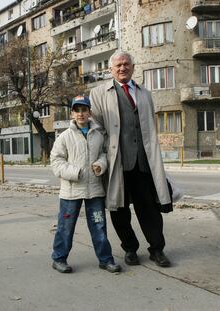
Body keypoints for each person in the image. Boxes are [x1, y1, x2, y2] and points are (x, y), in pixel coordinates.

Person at [90, 51, 172, 267]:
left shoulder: (144, 93)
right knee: (119, 209)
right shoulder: (99, 93)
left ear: (133, 67)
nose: (122, 68)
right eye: (118, 65)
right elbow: (97, 128)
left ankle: (157, 249)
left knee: (150, 209)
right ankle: (130, 249)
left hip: (144, 161)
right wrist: (100, 157)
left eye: (126, 64)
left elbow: (149, 126)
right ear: (110, 70)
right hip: (117, 161)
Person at [50, 95, 121, 274]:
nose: (81, 114)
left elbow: (105, 153)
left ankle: (106, 260)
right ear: (72, 113)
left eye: (84, 110)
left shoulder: (98, 134)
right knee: (65, 228)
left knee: (99, 226)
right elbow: (56, 161)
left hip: (95, 190)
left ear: (89, 112)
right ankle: (59, 258)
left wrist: (101, 165)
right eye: (77, 110)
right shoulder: (65, 136)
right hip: (71, 191)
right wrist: (76, 173)